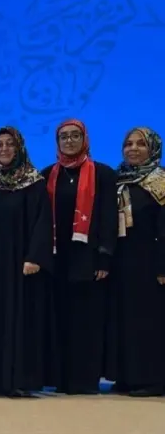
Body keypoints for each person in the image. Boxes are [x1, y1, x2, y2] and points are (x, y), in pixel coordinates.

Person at [0, 126, 57, 397]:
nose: (4, 149)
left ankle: (19, 380)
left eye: (10, 144)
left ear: (19, 148)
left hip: (21, 262)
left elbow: (42, 222)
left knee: (20, 318)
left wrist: (35, 256)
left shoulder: (33, 182)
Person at [41, 119, 117, 395]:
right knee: (59, 318)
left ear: (85, 139)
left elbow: (109, 217)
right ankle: (60, 378)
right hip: (56, 259)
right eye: (64, 136)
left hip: (89, 260)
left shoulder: (103, 174)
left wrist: (104, 258)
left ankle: (85, 380)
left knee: (87, 321)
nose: (69, 141)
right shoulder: (47, 174)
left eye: (75, 136)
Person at [104, 127, 165, 397]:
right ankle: (127, 376)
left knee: (149, 320)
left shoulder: (160, 181)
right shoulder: (118, 180)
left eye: (140, 144)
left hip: (150, 263)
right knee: (124, 318)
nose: (133, 148)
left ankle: (153, 379)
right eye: (128, 144)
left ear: (153, 148)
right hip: (122, 261)